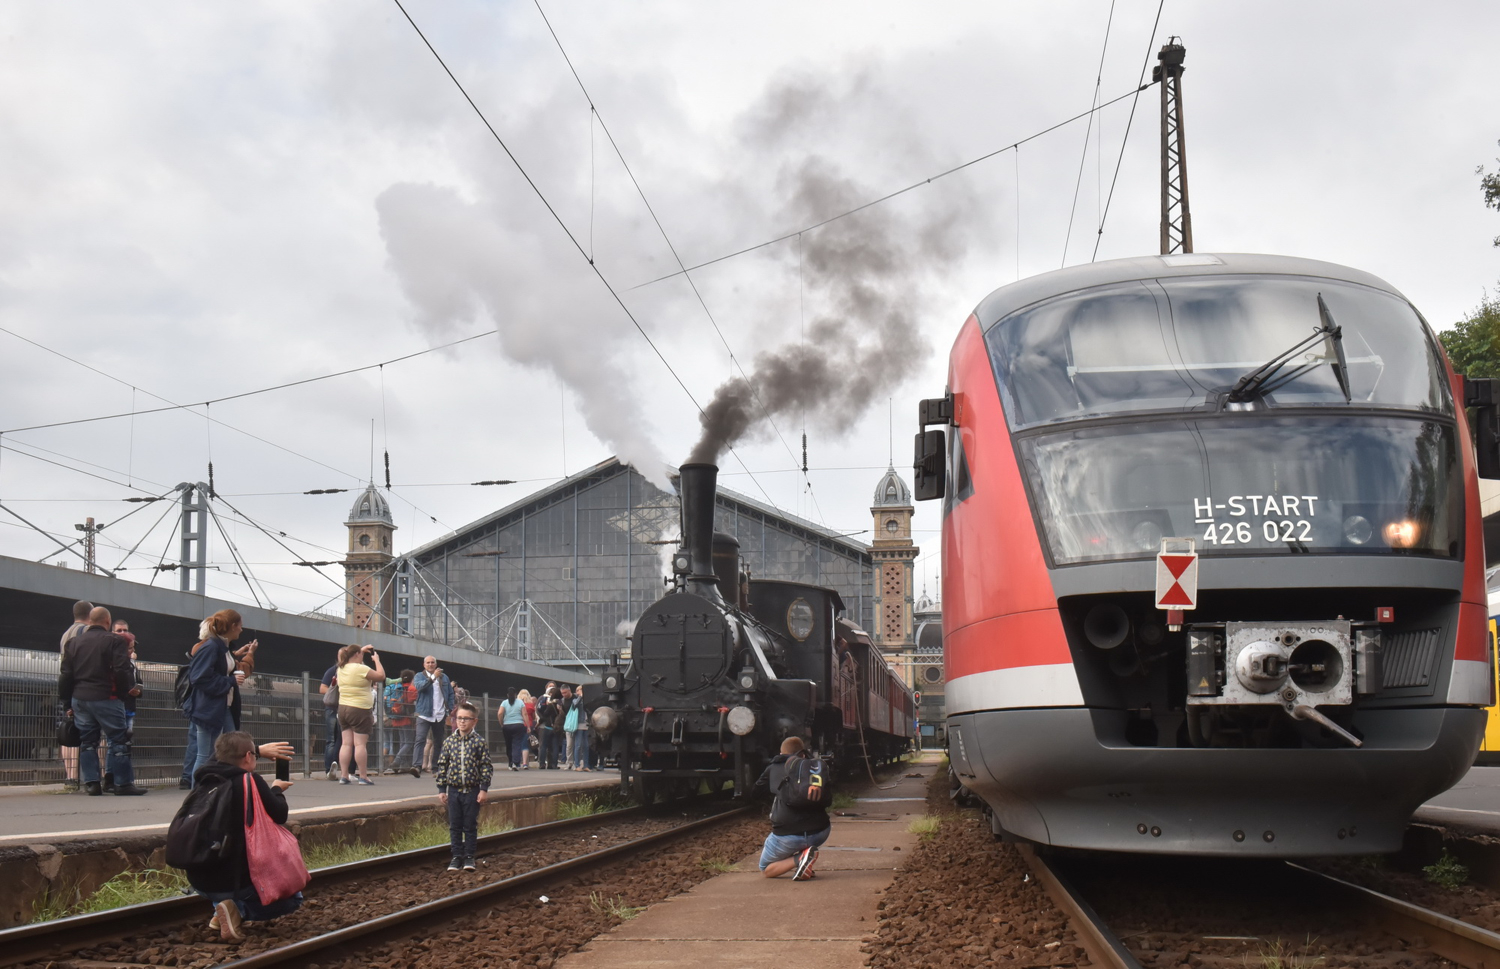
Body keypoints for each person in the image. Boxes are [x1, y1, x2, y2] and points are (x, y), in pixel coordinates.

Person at [182, 731, 299, 942]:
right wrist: (276, 789)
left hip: (199, 881)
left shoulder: (203, 776)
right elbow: (279, 814)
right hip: (233, 881)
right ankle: (237, 909)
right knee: (294, 899)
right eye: (253, 754)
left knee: (224, 864)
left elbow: (216, 756)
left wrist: (259, 750)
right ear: (247, 757)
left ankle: (222, 910)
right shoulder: (250, 781)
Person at [58, 606, 147, 796]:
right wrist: (123, 694)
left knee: (88, 742)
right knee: (118, 740)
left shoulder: (74, 643)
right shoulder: (115, 641)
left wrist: (67, 702)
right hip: (108, 697)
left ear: (90, 621)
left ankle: (92, 783)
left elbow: (66, 675)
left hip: (80, 698)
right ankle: (123, 784)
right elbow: (122, 670)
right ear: (108, 621)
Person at [184, 610, 254, 784]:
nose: (241, 630)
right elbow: (199, 678)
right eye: (240, 625)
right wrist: (230, 680)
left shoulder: (221, 647)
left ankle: (223, 787)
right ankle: (198, 796)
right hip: (209, 708)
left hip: (221, 706)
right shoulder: (212, 647)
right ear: (232, 626)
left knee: (230, 749)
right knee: (205, 754)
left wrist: (231, 676)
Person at [752, 737, 829, 881]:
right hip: (820, 831)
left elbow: (756, 791)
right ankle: (805, 862)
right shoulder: (813, 767)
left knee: (765, 868)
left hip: (788, 835)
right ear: (803, 753)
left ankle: (800, 859)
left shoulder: (773, 767)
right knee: (801, 835)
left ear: (781, 753)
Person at [435, 701, 492, 872]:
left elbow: (485, 766)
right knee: (455, 824)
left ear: (474, 721)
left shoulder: (479, 742)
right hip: (453, 790)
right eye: (459, 718)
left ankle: (469, 856)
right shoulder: (449, 742)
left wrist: (483, 789)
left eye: (466, 719)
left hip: (472, 790)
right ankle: (456, 856)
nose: (462, 722)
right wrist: (441, 789)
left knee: (469, 824)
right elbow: (442, 765)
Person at [336, 644, 385, 785]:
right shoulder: (361, 669)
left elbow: (350, 657)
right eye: (361, 654)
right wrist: (376, 660)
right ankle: (363, 776)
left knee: (346, 744)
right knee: (360, 744)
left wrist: (361, 650)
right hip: (359, 709)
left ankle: (344, 775)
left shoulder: (341, 668)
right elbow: (381, 676)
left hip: (343, 708)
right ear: (357, 654)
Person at [58, 600, 92, 791]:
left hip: (66, 687)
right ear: (90, 614)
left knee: (69, 729)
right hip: (82, 688)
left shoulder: (65, 634)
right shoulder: (85, 632)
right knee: (91, 732)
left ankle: (70, 777)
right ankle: (97, 775)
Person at [107, 620, 143, 794]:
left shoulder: (132, 663)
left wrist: (138, 691)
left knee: (123, 744)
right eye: (118, 630)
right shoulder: (113, 659)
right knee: (117, 744)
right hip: (118, 704)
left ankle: (121, 780)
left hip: (129, 706)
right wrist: (126, 691)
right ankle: (115, 780)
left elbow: (138, 682)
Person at [413, 656, 456, 775]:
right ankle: (417, 766)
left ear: (436, 664)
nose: (430, 664)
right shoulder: (419, 676)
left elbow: (450, 693)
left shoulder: (444, 677)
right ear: (424, 665)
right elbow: (419, 687)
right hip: (424, 714)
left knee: (438, 741)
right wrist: (432, 678)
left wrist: (450, 708)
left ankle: (436, 767)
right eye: (428, 663)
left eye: (432, 662)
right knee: (420, 739)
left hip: (440, 714)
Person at [384, 669, 419, 775]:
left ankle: (403, 766)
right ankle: (397, 762)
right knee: (408, 742)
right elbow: (412, 701)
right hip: (406, 719)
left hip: (395, 717)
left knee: (402, 742)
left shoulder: (395, 687)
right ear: (412, 678)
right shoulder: (412, 689)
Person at [319, 657, 341, 780]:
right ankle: (329, 768)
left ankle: (334, 766)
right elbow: (322, 688)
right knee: (333, 739)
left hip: (341, 709)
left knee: (339, 739)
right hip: (333, 708)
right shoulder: (333, 671)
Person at [498, 687, 528, 770]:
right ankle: (516, 763)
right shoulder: (520, 702)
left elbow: (500, 713)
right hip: (518, 725)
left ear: (507, 695)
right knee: (517, 744)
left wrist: (502, 723)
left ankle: (510, 762)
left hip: (507, 725)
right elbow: (525, 714)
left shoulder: (504, 703)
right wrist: (528, 726)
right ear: (516, 694)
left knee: (508, 744)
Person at [536, 687, 561, 769]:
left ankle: (542, 764)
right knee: (555, 746)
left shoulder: (550, 705)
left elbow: (545, 715)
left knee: (543, 746)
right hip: (557, 728)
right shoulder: (561, 704)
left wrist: (538, 724)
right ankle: (554, 764)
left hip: (548, 727)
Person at [569, 685, 592, 770]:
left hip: (586, 724)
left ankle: (585, 765)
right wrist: (580, 697)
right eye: (580, 690)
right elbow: (574, 705)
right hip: (578, 724)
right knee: (578, 745)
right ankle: (577, 765)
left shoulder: (587, 700)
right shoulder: (576, 699)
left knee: (586, 745)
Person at [558, 685, 577, 770]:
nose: (564, 694)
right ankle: (569, 762)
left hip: (576, 722)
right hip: (568, 723)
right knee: (569, 745)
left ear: (570, 691)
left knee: (578, 744)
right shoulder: (562, 700)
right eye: (562, 693)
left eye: (565, 692)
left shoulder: (576, 697)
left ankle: (577, 762)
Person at [518, 688, 537, 769]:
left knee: (518, 743)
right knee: (526, 744)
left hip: (519, 724)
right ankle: (525, 763)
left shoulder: (517, 704)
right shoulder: (530, 705)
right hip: (528, 724)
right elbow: (533, 717)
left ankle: (517, 762)